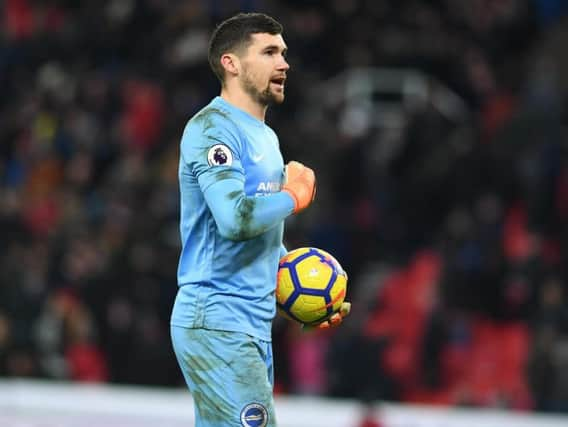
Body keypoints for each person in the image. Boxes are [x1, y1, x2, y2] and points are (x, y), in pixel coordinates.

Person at [170, 12, 350, 427]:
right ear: (231, 63)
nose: (284, 63)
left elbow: (257, 235)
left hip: (247, 324)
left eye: (284, 53)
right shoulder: (212, 129)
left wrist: (301, 292)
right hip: (216, 318)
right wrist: (294, 195)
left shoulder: (265, 136)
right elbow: (234, 219)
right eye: (269, 52)